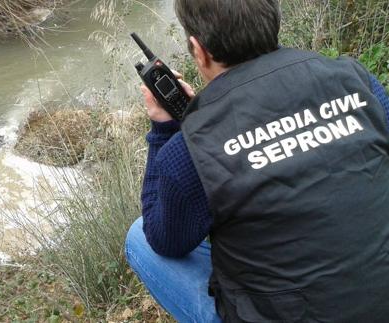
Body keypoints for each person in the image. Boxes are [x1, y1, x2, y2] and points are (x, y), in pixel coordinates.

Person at [124, 0, 389, 322]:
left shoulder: (191, 147)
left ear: (199, 50)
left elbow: (165, 240)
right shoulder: (359, 82)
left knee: (141, 237)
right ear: (274, 20)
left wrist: (167, 128)